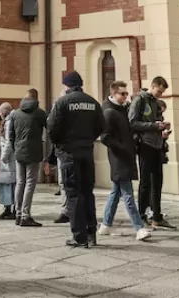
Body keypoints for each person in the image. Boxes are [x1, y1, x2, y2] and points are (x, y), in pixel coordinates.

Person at [47, 71, 105, 248]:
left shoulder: (62, 102)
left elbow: (52, 128)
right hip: (87, 152)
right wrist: (87, 140)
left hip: (69, 153)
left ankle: (78, 236)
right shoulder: (92, 102)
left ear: (67, 86)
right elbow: (101, 126)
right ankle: (90, 234)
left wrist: (61, 143)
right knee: (88, 193)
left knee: (73, 194)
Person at [98, 81, 152, 242]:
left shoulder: (121, 109)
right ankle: (139, 228)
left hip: (125, 155)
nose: (126, 96)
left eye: (126, 93)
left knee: (116, 193)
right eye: (122, 93)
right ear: (113, 93)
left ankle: (105, 225)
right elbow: (105, 137)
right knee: (128, 194)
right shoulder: (108, 111)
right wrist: (122, 148)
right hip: (119, 158)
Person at [128, 77, 174, 229]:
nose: (160, 94)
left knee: (158, 183)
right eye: (159, 91)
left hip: (157, 144)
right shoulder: (139, 100)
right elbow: (132, 123)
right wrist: (154, 126)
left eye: (162, 92)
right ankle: (141, 215)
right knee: (145, 182)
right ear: (153, 87)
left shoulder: (155, 102)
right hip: (145, 144)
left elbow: (156, 120)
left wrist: (163, 126)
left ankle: (157, 216)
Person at [8, 90, 48, 226]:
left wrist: (16, 149)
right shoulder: (40, 113)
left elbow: (10, 135)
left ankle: (18, 213)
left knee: (20, 182)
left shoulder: (15, 113)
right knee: (30, 183)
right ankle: (26, 214)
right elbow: (50, 128)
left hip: (19, 151)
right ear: (36, 98)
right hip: (34, 151)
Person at [0, 102, 17, 219]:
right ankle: (7, 208)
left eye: (0, 111)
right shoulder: (9, 120)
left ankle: (12, 209)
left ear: (5, 111)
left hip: (9, 158)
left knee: (10, 185)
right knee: (7, 184)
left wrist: (4, 156)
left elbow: (8, 141)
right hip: (8, 158)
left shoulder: (9, 121)